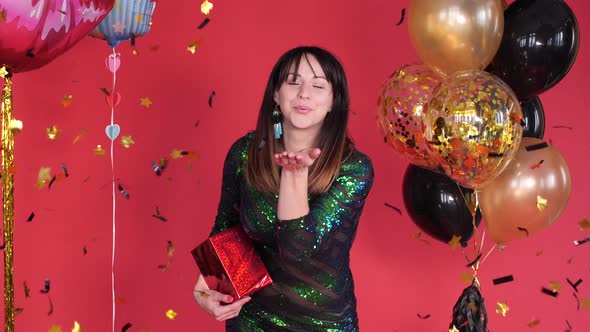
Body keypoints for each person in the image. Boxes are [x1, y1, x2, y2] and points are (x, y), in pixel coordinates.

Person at [193, 46, 375, 331]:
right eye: (293, 82)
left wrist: (294, 177)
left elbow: (296, 250)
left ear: (333, 102)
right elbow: (227, 227)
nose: (304, 93)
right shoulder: (244, 153)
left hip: (323, 322)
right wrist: (208, 287)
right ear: (276, 95)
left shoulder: (354, 169)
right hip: (251, 320)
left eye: (318, 85)